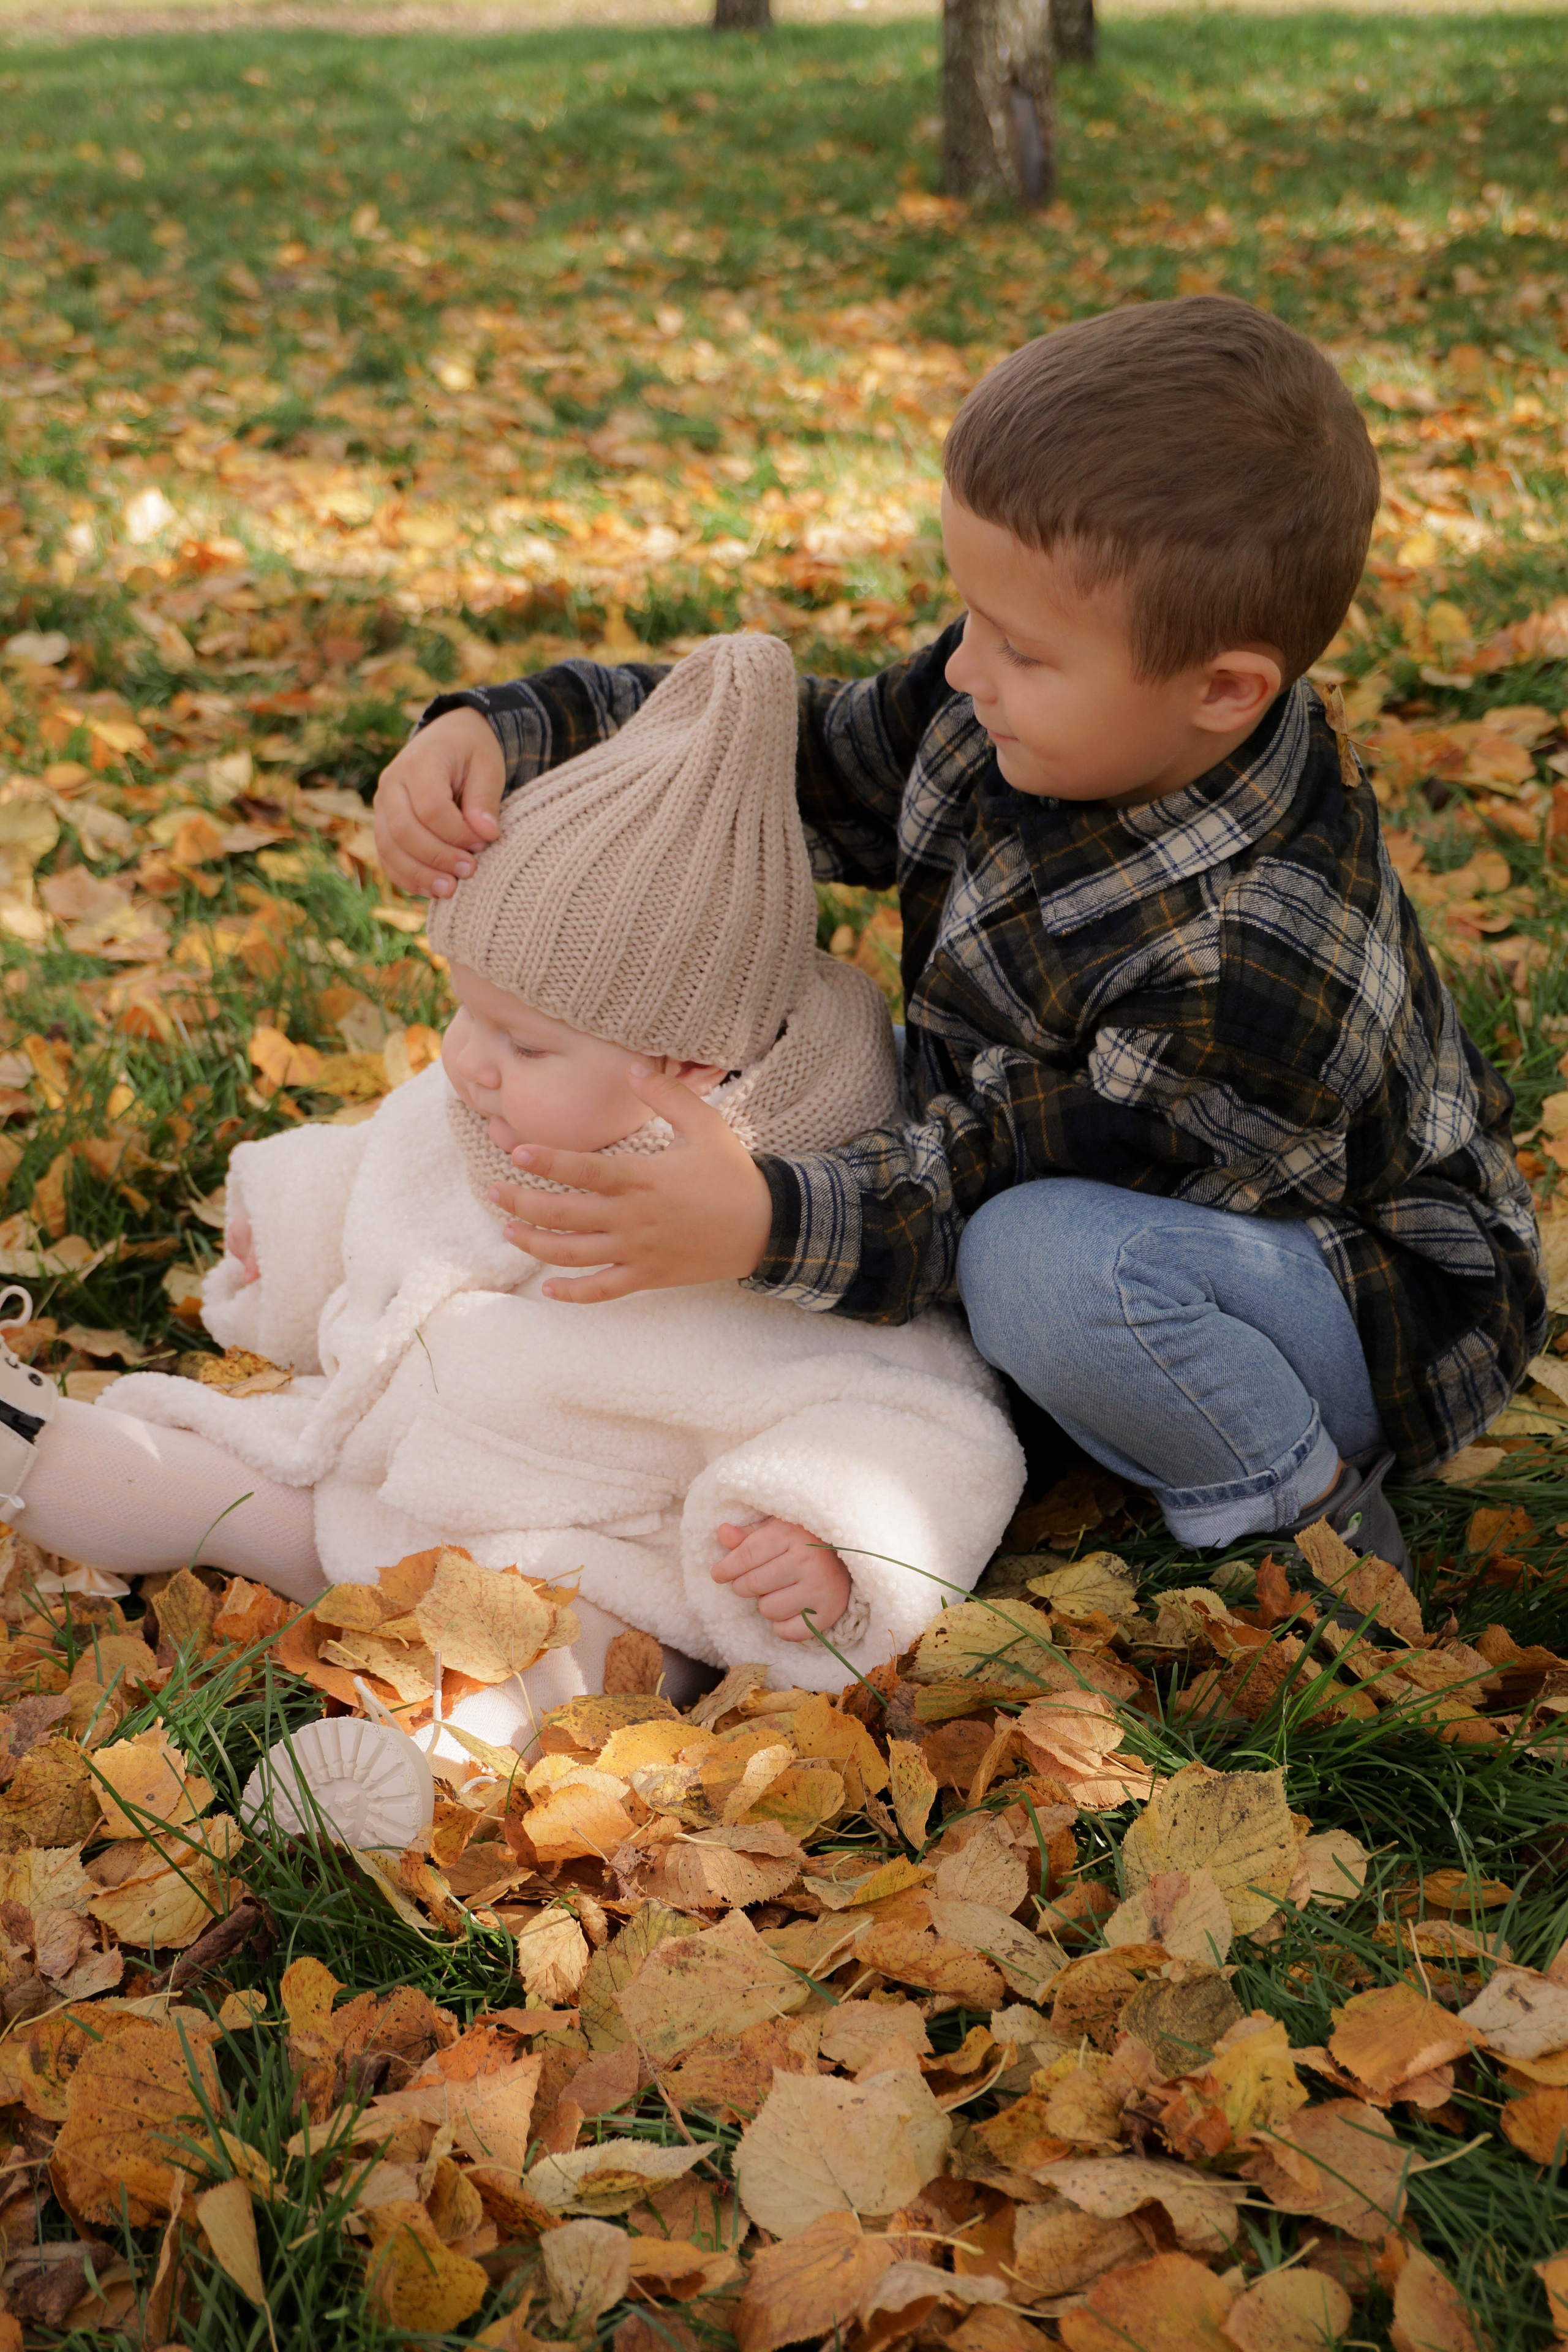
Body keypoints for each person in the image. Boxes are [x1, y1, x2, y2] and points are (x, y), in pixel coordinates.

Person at [373, 296, 1545, 1578]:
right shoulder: (1014, 708)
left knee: (1031, 1270)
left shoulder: (1251, 961)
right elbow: (790, 759)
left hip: (1337, 1295)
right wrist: (509, 728)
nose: (965, 670)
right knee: (729, 1069)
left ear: (1222, 690)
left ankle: (1288, 1511)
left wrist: (765, 1221)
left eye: (1020, 648)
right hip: (1042, 1145)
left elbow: (992, 1172)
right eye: (969, 619)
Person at [0, 635, 1024, 1741]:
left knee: (582, 1646)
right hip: (391, 1476)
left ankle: (428, 1750)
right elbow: (388, 1171)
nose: (468, 1060)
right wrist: (289, 1230)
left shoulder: (792, 1217)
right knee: (245, 1487)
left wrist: (832, 1535)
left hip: (598, 1547)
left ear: (689, 1070)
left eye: (523, 1044)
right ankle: (59, 1456)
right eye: (465, 1009)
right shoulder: (493, 1112)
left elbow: (926, 1414)